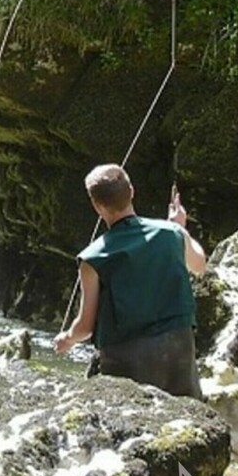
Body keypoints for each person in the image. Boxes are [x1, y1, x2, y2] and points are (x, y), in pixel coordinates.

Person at [52, 164, 207, 399]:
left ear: (96, 206)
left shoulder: (91, 258)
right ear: (132, 191)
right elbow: (199, 265)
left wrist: (67, 340)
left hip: (126, 364)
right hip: (178, 355)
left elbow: (85, 327)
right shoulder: (171, 233)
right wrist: (179, 227)